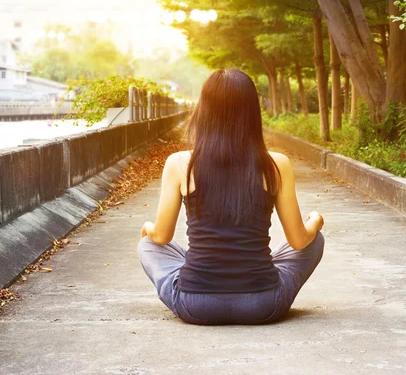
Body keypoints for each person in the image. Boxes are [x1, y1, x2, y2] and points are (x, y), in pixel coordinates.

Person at [138, 69, 325, 325]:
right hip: (263, 304)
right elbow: (299, 240)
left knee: (148, 244)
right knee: (315, 240)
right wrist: (315, 221)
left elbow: (161, 237)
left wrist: (148, 228)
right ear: (252, 112)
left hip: (195, 304)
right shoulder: (276, 165)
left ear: (203, 110)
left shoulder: (180, 163)